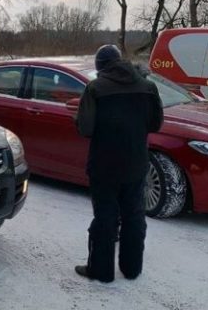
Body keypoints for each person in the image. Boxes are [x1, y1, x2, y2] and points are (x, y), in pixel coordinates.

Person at [74, 45, 163, 283]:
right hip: (136, 163)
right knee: (134, 215)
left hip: (104, 165)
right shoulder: (148, 87)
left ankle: (101, 272)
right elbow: (155, 124)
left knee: (105, 217)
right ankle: (132, 268)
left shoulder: (95, 88)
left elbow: (85, 128)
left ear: (100, 66)